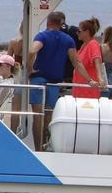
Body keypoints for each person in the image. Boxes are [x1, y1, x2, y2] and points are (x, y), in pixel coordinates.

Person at [28, 12, 77, 142]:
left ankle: (38, 148)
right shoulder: (68, 39)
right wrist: (89, 80)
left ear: (48, 22)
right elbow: (76, 62)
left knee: (37, 115)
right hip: (54, 81)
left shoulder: (42, 36)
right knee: (49, 115)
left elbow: (32, 50)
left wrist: (29, 69)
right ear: (61, 24)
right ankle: (45, 144)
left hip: (38, 78)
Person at [70, 18, 106, 100]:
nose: (77, 33)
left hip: (88, 90)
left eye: (79, 31)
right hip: (80, 88)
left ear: (87, 32)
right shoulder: (84, 45)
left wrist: (100, 77)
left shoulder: (93, 44)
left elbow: (97, 59)